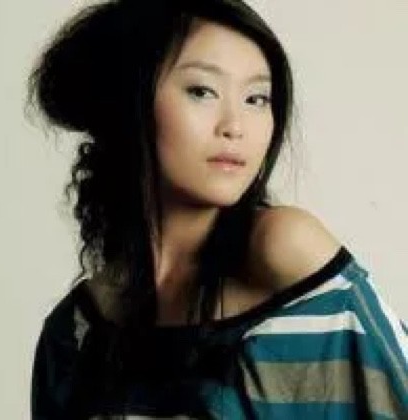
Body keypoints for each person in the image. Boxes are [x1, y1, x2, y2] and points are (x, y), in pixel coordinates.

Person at [28, 0, 408, 418]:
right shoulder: (75, 330)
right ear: (126, 102)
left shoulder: (284, 253)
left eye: (257, 98)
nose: (235, 126)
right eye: (202, 92)